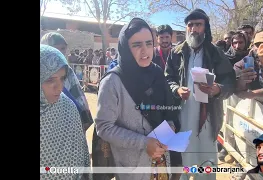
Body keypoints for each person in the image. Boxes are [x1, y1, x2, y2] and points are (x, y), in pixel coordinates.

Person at [95, 18, 180, 180]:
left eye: (149, 43)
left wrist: (170, 127)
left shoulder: (157, 73)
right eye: (137, 45)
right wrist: (143, 143)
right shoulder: (112, 82)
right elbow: (104, 127)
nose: (145, 50)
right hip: (133, 168)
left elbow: (169, 110)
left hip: (162, 163)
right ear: (125, 47)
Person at [165, 9, 236, 180]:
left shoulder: (215, 53)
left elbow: (230, 81)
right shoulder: (176, 53)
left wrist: (218, 89)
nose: (194, 29)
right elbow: (167, 78)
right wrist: (176, 89)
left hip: (208, 117)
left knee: (206, 161)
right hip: (182, 115)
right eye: (190, 25)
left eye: (198, 24)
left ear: (206, 27)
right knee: (182, 160)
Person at [40, 44, 91, 180]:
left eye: (62, 78)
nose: (59, 87)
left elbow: (82, 155)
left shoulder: (68, 107)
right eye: (50, 80)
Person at [40, 33, 94, 132]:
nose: (60, 52)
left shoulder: (67, 71)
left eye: (63, 48)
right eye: (56, 48)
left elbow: (78, 99)